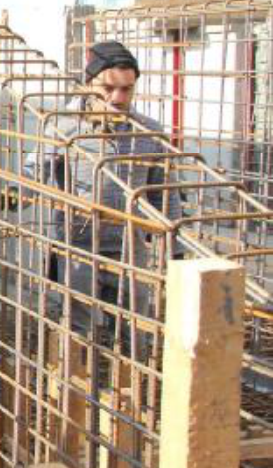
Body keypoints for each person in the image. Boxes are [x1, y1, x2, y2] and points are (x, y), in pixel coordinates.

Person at [23, 41, 183, 340]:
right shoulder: (63, 126)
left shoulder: (148, 131)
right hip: (78, 246)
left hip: (130, 247)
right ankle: (78, 385)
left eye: (127, 89)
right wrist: (16, 192)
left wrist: (176, 247)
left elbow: (165, 192)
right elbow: (36, 168)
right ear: (88, 84)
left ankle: (130, 386)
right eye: (108, 88)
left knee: (135, 332)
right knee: (78, 328)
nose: (118, 98)